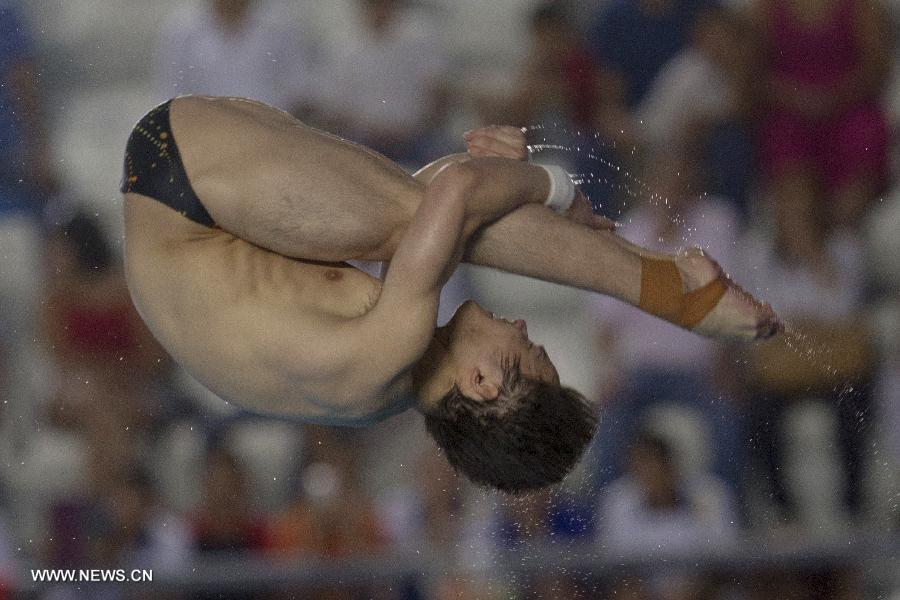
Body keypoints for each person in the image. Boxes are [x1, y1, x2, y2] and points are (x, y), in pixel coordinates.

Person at [121, 96, 779, 493]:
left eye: (529, 348)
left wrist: (549, 187)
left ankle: (666, 289)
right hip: (188, 190)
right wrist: (500, 180)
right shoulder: (380, 393)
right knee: (426, 220)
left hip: (178, 173)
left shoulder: (391, 348)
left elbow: (452, 192)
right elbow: (423, 198)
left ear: (484, 382)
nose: (521, 325)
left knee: (435, 215)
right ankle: (659, 281)